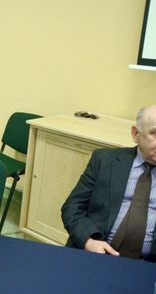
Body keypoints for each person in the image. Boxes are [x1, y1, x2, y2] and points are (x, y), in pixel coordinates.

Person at [61, 105, 156, 261]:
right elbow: (72, 207)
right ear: (136, 134)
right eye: (155, 133)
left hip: (148, 265)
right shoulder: (104, 161)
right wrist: (88, 241)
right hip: (94, 253)